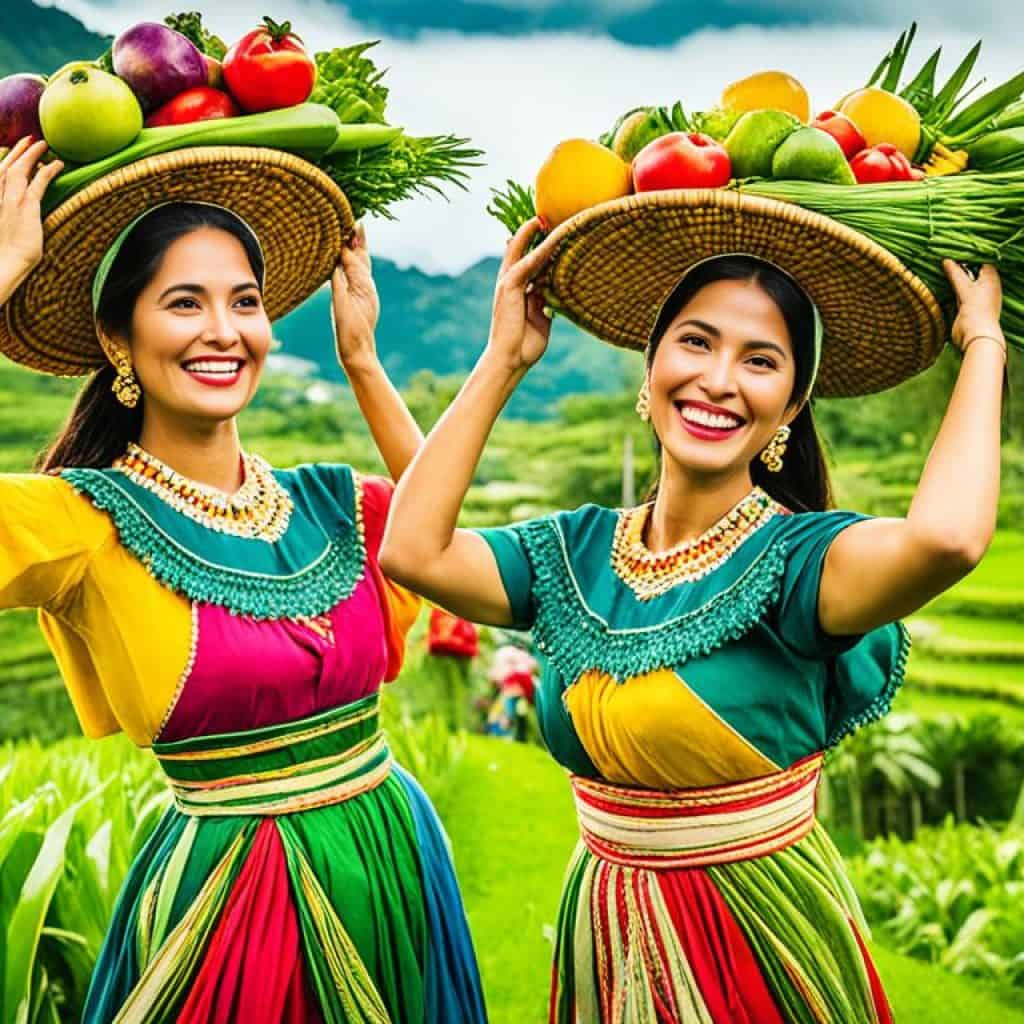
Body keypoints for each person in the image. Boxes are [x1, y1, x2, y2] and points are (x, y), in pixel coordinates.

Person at [380, 213, 1006, 1021]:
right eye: (697, 343)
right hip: (605, 930)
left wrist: (983, 345)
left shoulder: (802, 564)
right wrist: (504, 359)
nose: (719, 380)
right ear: (651, 366)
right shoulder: (576, 551)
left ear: (791, 405)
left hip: (759, 938)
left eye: (760, 361)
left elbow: (949, 539)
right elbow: (414, 552)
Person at [0, 138, 486, 1022]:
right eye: (185, 303)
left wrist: (366, 365)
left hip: (393, 858)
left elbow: (453, 557)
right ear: (119, 335)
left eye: (246, 302)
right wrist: (2, 270)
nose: (224, 331)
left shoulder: (341, 507)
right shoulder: (79, 520)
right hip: (227, 895)